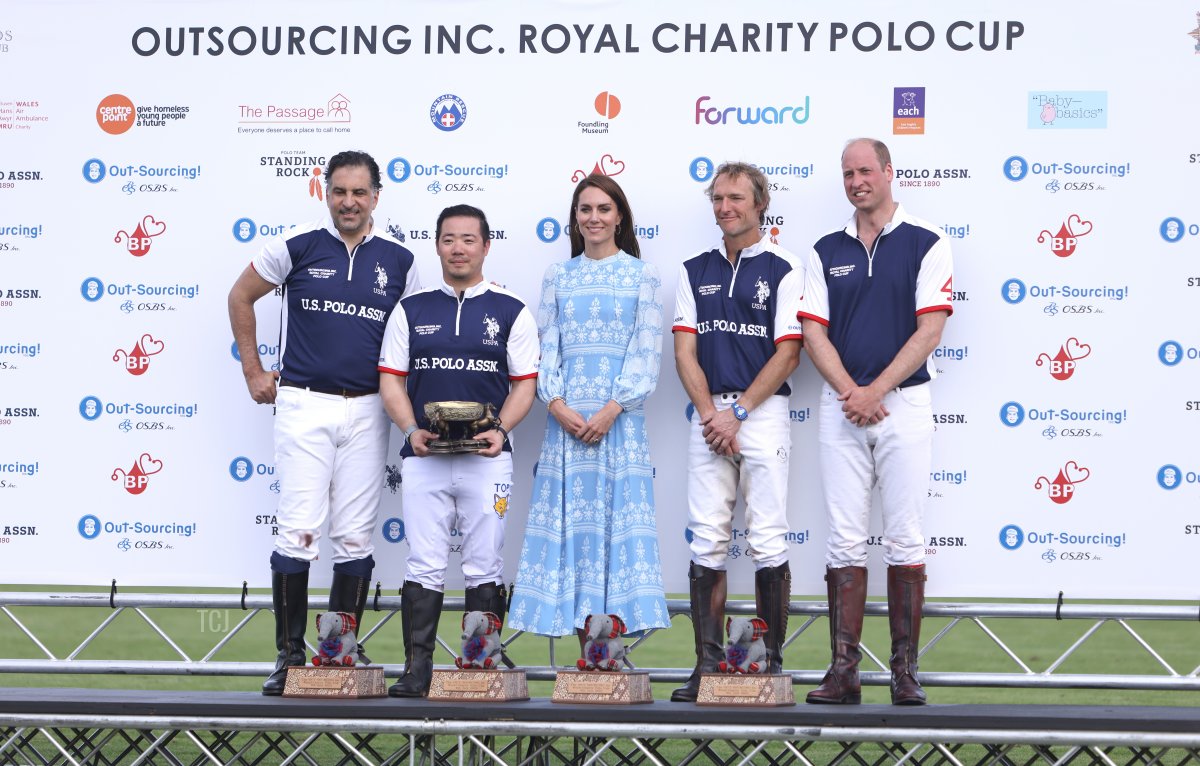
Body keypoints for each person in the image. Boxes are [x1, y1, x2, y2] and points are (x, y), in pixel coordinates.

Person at [227, 150, 421, 696]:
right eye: (339, 191)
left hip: (367, 407)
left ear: (376, 197)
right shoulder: (297, 246)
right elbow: (240, 296)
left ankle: (338, 652)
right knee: (299, 531)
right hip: (304, 402)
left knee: (356, 535)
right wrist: (253, 370)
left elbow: (416, 334)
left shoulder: (401, 260)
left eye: (360, 192)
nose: (349, 201)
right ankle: (289, 658)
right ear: (325, 193)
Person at [799, 138, 953, 706]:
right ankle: (844, 672)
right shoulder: (824, 248)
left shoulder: (927, 240)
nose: (856, 181)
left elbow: (930, 328)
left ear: (889, 172)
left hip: (904, 404)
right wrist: (851, 392)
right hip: (842, 409)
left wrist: (876, 391)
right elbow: (813, 330)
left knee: (906, 537)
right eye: (847, 173)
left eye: (865, 170)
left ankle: (904, 672)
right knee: (843, 542)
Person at [378, 204, 538, 697]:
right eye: (449, 239)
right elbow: (391, 380)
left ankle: (478, 663)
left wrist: (502, 429)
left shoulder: (511, 309)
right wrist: (410, 429)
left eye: (469, 239)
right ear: (437, 245)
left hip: (487, 461)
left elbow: (524, 385)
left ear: (486, 246)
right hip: (425, 459)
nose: (459, 248)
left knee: (484, 565)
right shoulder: (412, 308)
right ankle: (417, 669)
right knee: (422, 564)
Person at [508, 174, 669, 645]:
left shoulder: (644, 275)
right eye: (585, 209)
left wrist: (612, 409)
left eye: (603, 208)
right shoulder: (559, 275)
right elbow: (548, 348)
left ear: (620, 216)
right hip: (567, 427)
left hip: (618, 424)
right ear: (575, 218)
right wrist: (555, 403)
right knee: (574, 536)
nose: (594, 218)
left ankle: (611, 657)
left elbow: (646, 353)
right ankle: (587, 662)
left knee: (613, 532)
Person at [670, 161, 803, 702]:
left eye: (737, 199)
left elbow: (788, 352)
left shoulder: (785, 267)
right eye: (719, 199)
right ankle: (706, 666)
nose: (726, 208)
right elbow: (685, 351)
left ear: (760, 204)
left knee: (768, 536)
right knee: (707, 538)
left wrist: (739, 413)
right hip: (709, 416)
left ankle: (768, 663)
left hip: (761, 411)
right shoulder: (692, 268)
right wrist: (711, 414)